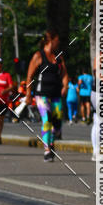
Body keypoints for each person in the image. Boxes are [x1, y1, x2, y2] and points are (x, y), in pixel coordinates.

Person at [26, 30, 69, 161]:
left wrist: (65, 86)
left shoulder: (59, 57)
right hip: (42, 94)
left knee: (57, 123)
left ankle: (51, 141)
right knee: (47, 120)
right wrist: (28, 93)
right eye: (57, 40)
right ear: (51, 40)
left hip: (56, 93)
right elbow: (29, 76)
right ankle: (47, 150)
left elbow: (65, 74)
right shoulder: (38, 56)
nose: (59, 43)